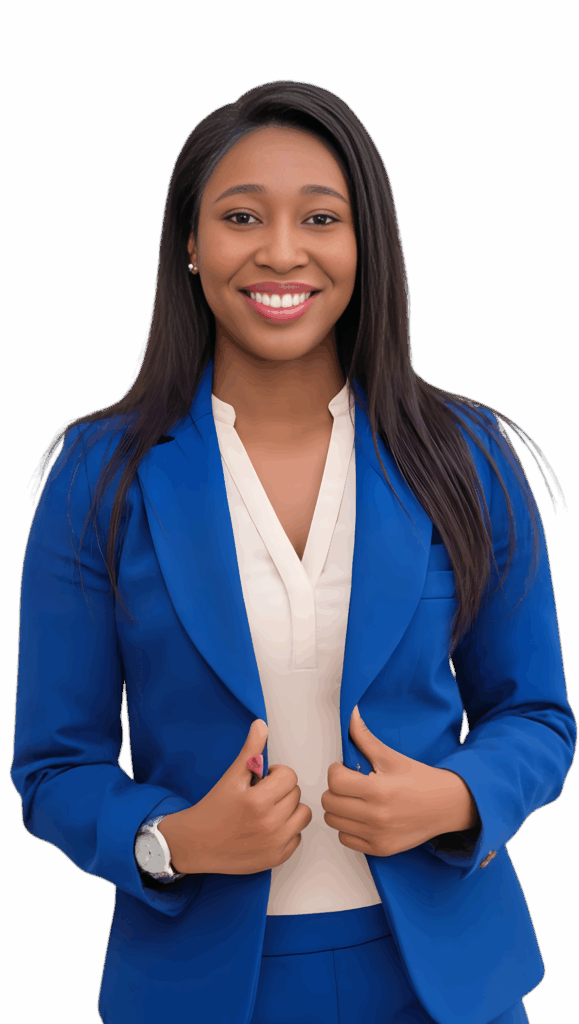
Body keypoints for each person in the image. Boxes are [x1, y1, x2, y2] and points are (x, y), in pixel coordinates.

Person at [11, 80, 575, 1024]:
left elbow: (537, 715)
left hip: (444, 986)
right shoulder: (97, 478)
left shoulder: (467, 458)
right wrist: (174, 839)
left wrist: (454, 798)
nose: (281, 251)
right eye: (241, 217)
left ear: (365, 245)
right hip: (203, 989)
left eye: (320, 217)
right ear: (190, 245)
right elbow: (53, 767)